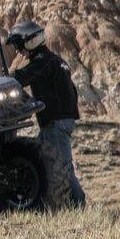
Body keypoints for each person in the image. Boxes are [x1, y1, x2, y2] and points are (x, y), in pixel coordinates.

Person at [6, 20, 87, 208]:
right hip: (60, 121)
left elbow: (20, 78)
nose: (18, 50)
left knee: (62, 166)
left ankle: (77, 204)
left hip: (55, 123)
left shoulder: (42, 62)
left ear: (29, 41)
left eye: (18, 44)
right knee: (45, 163)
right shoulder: (57, 61)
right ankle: (49, 205)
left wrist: (4, 79)